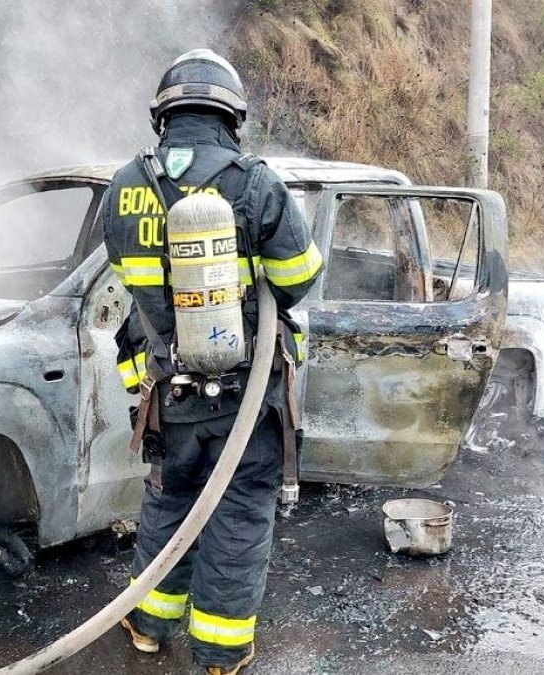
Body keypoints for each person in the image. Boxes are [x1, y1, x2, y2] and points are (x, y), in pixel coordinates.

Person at [100, 49, 323, 675]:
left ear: (162, 117)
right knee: (237, 517)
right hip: (243, 396)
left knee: (170, 504)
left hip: (167, 391)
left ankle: (147, 625)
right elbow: (300, 277)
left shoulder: (124, 187)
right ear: (231, 116)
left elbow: (129, 282)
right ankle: (221, 654)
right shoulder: (254, 181)